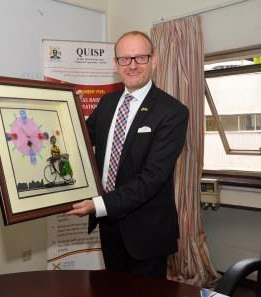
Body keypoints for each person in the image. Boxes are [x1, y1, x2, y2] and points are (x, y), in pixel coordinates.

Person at [67, 31, 189, 278]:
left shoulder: (173, 111)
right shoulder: (107, 103)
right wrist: (66, 108)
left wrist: (98, 205)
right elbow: (78, 142)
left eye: (140, 58)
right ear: (116, 64)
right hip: (109, 224)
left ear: (154, 61)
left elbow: (153, 178)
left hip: (147, 232)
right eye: (125, 59)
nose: (132, 65)